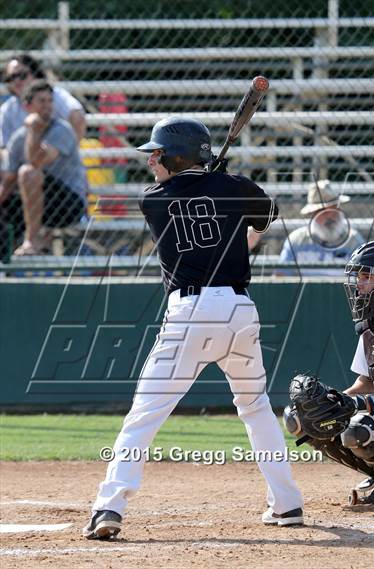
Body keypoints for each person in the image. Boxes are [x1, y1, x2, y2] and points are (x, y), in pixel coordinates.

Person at [83, 117, 304, 540]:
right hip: (239, 310)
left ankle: (109, 507)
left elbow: (189, 194)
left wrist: (215, 182)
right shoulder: (232, 186)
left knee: (144, 415)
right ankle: (287, 502)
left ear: (176, 156)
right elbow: (267, 215)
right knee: (256, 407)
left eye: (157, 153)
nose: (151, 161)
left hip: (190, 311)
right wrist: (229, 184)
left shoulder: (153, 200)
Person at [285, 240, 374, 508]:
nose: (359, 284)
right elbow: (366, 382)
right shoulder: (371, 325)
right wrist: (334, 402)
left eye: (368, 276)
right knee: (310, 422)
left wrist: (360, 405)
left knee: (360, 428)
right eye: (358, 276)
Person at [0, 80, 87, 255]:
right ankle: (4, 267)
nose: (48, 106)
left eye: (50, 100)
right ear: (27, 106)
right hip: (37, 203)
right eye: (42, 101)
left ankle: (32, 241)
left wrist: (33, 130)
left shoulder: (62, 130)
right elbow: (8, 180)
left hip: (68, 204)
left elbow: (36, 162)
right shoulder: (18, 139)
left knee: (28, 173)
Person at [248, 180, 364, 276]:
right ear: (312, 215)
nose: (329, 216)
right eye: (321, 211)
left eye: (333, 209)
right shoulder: (296, 240)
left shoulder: (354, 240)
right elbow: (280, 277)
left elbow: (361, 282)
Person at [0, 53, 86, 148]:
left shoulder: (55, 95)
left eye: (22, 75)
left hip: (55, 156)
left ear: (35, 74)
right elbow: (2, 146)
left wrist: (65, 151)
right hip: (22, 159)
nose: (16, 81)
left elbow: (78, 117)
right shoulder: (8, 108)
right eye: (11, 78)